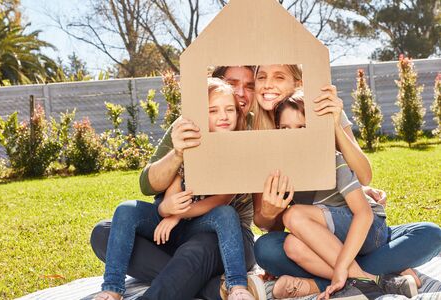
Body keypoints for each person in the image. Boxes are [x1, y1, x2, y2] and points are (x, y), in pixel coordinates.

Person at [251, 65, 441, 299]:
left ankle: (322, 282)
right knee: (270, 248)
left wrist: (335, 127)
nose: (269, 84)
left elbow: (362, 179)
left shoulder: (325, 123)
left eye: (279, 77)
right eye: (262, 77)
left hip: (355, 226)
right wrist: (270, 214)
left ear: (298, 83)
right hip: (320, 238)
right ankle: (373, 278)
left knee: (430, 234)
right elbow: (269, 222)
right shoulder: (261, 140)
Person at [90, 68, 258, 300]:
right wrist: (166, 209)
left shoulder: (240, 140)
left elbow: (222, 199)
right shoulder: (188, 132)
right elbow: (167, 189)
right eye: (214, 110)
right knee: (115, 222)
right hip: (177, 231)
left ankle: (230, 285)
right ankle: (112, 289)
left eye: (230, 110)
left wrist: (177, 214)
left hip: (215, 233)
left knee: (218, 223)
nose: (224, 116)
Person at [268, 94, 418, 299]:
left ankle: (347, 277)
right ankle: (373, 281)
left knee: (292, 215)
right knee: (291, 245)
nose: (294, 135)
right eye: (285, 128)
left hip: (368, 229)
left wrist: (340, 269)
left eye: (302, 127)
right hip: (331, 237)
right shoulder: (284, 167)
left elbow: (364, 214)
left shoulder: (332, 157)